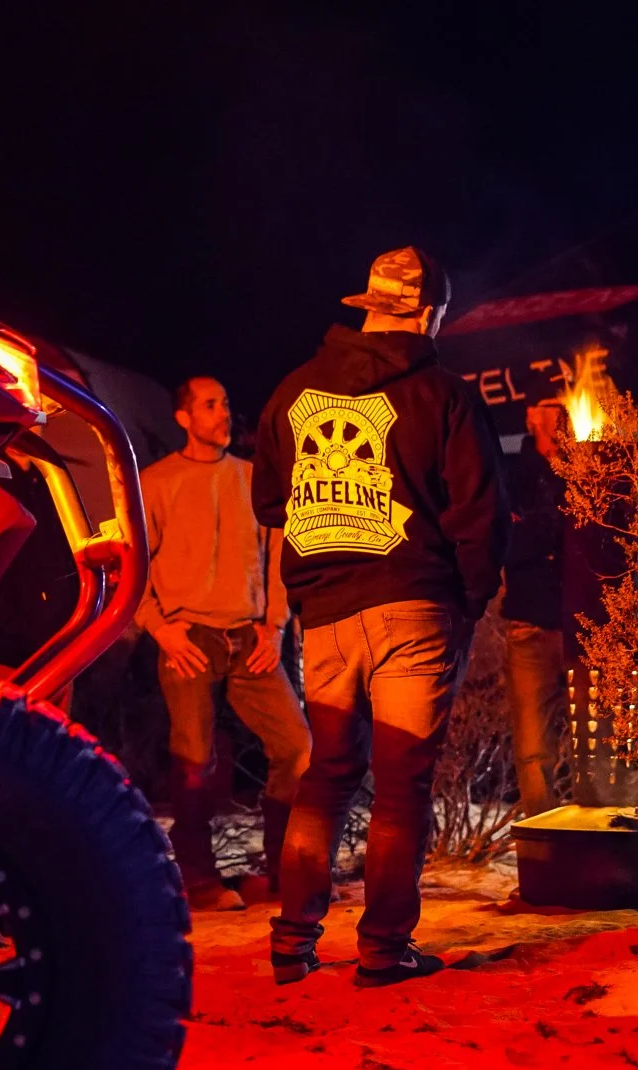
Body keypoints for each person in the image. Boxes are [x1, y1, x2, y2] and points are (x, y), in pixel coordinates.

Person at [253, 246, 509, 987]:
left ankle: (292, 940)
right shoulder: (444, 396)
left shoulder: (292, 393)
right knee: (401, 786)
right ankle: (383, 951)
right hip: (414, 604)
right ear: (428, 314)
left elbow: (271, 505)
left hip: (326, 613)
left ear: (365, 303)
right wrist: (469, 598)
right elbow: (480, 515)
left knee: (327, 772)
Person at [139, 376, 311, 913]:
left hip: (249, 636)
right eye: (209, 405)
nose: (221, 413)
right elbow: (132, 560)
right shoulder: (157, 482)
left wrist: (274, 625)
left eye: (225, 402)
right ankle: (198, 881)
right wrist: (158, 626)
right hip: (188, 636)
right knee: (194, 762)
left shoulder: (253, 478)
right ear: (184, 418)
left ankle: (285, 870)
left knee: (298, 748)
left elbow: (279, 554)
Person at [503, 398, 570, 817]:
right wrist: (547, 529)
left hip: (585, 624)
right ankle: (546, 846)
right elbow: (509, 545)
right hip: (531, 623)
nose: (562, 411)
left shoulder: (590, 470)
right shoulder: (515, 476)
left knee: (601, 743)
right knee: (533, 749)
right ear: (531, 416)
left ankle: (596, 840)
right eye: (551, 405)